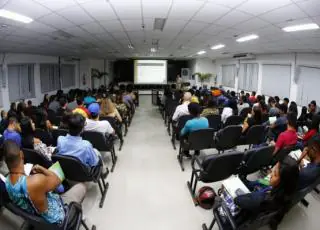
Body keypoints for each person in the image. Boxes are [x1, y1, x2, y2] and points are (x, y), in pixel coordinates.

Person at [3, 140, 87, 224]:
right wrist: (42, 169)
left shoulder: (6, 182)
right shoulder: (36, 181)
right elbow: (57, 180)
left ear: (5, 161)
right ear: (21, 154)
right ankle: (76, 217)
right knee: (81, 186)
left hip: (38, 220)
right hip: (58, 220)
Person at [234, 156, 299, 227]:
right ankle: (248, 183)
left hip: (246, 212)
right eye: (273, 168)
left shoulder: (260, 199)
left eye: (275, 174)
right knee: (261, 181)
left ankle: (247, 183)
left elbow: (237, 200)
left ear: (282, 182)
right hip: (260, 203)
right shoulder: (287, 193)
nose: (270, 173)